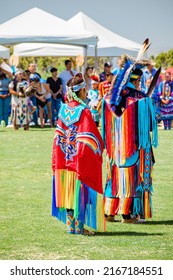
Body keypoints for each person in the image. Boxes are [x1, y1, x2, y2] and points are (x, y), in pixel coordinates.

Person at [102, 57, 158, 223]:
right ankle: (128, 214)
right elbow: (148, 126)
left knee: (114, 177)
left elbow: (105, 126)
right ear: (137, 80)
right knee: (132, 178)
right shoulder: (140, 99)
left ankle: (109, 212)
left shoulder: (110, 98)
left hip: (114, 149)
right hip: (133, 148)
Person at [52, 73, 105, 235]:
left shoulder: (63, 110)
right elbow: (90, 136)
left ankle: (71, 227)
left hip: (64, 159)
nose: (86, 92)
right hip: (79, 160)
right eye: (84, 89)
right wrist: (99, 147)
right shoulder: (84, 111)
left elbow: (58, 136)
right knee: (80, 191)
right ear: (81, 92)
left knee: (68, 192)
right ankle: (80, 228)